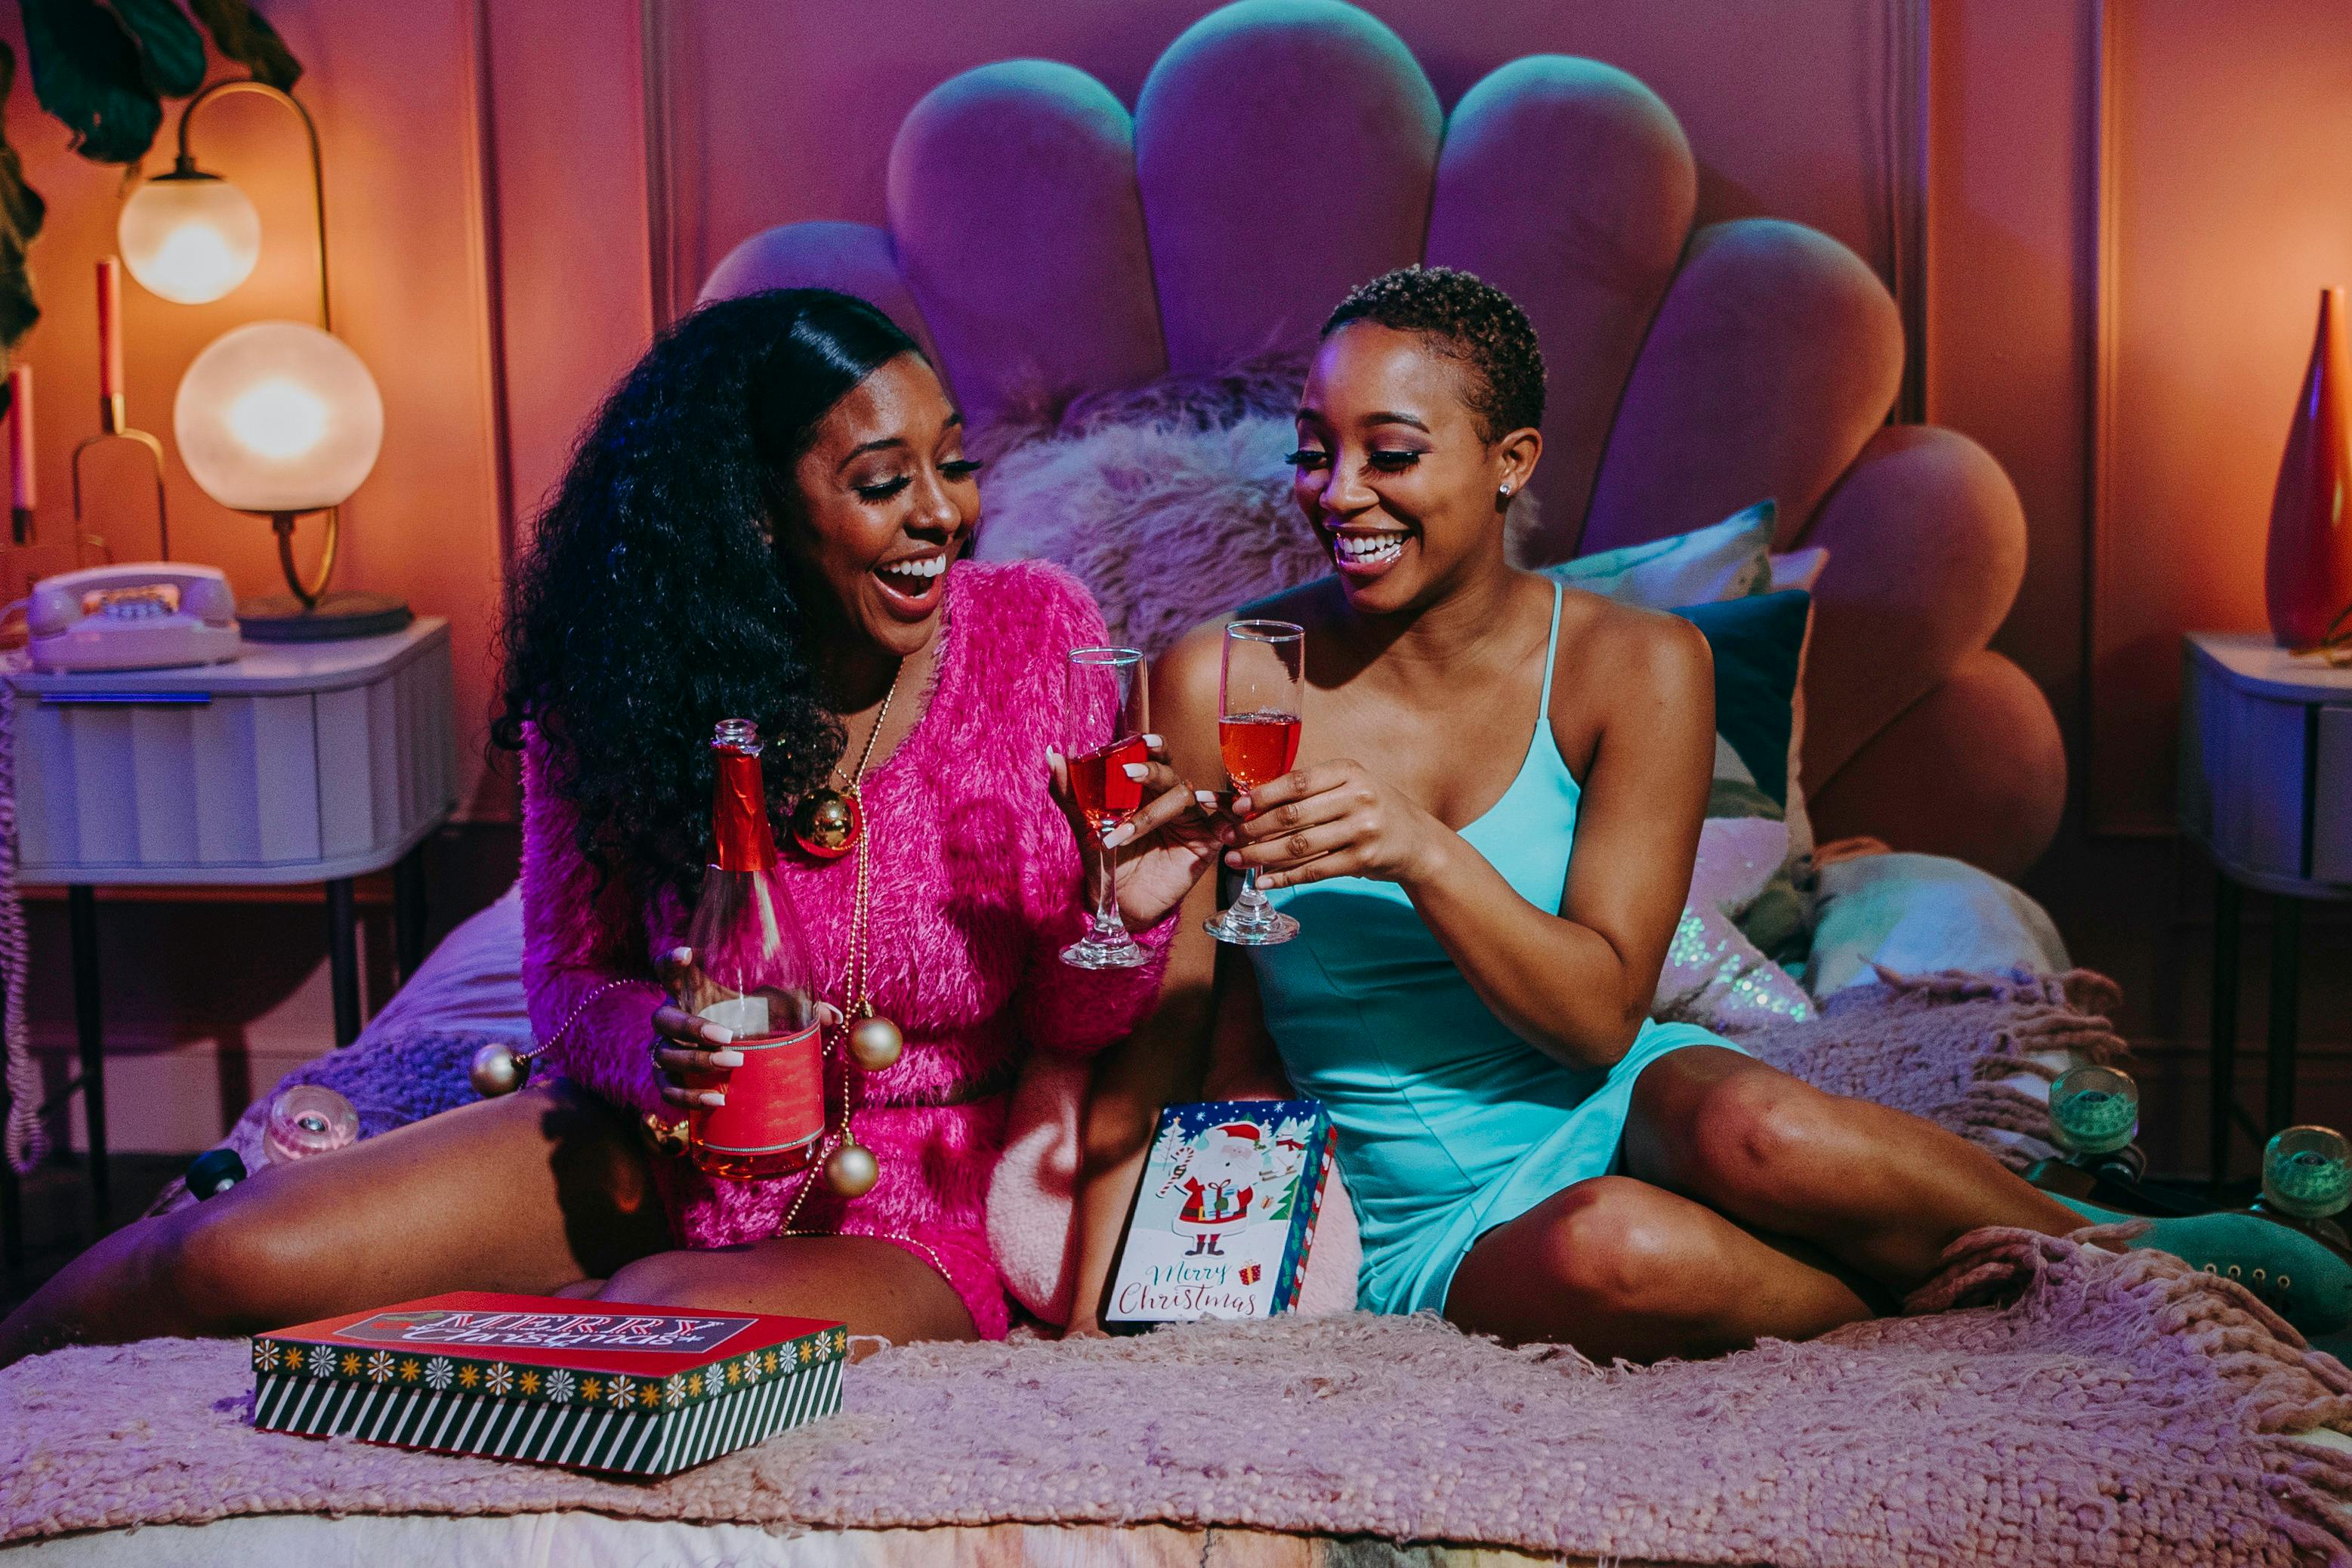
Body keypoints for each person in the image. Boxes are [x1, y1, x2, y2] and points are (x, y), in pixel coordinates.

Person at [1068, 265, 2350, 1355]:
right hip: (1425, 1198)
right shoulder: (1224, 677)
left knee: (1762, 1123)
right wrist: (1084, 1321)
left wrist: (1419, 850)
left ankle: (2144, 1257)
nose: (1337, 491)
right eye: (1314, 448)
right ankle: (1964, 1326)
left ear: (1511, 462)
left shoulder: (1640, 664)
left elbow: (1593, 1017)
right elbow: (1176, 1015)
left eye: (1390, 453)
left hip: (1619, 1085)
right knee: (1616, 1251)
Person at [0, 288, 1218, 1368]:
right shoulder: (627, 682)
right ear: (753, 513)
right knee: (231, 1260)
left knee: (641, 1319)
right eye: (883, 483)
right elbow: (569, 982)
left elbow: (1078, 1022)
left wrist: (1127, 912)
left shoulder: (1035, 633)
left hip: (912, 1189)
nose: (943, 516)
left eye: (951, 465)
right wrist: (659, 1048)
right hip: (661, 1143)